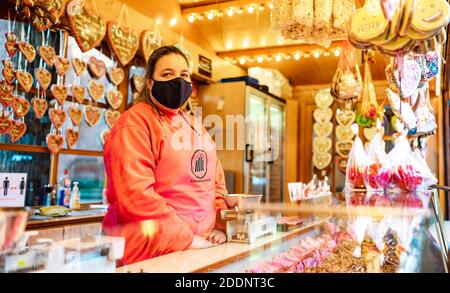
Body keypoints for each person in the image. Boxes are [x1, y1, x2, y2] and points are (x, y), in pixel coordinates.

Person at [102, 46, 229, 265]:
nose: (178, 81)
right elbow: (136, 196)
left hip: (200, 248)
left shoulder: (195, 125)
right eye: (167, 74)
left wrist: (219, 224)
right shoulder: (134, 123)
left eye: (184, 75)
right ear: (150, 82)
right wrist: (187, 240)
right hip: (146, 252)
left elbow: (215, 184)